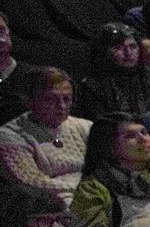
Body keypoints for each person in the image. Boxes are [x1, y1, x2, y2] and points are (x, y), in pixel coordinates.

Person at [0, 68, 91, 196]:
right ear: (29, 100)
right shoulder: (9, 137)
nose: (62, 106)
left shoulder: (84, 127)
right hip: (49, 208)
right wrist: (89, 188)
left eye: (67, 99)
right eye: (50, 99)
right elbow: (33, 184)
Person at [76, 22, 150, 120]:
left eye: (132, 46)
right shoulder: (93, 87)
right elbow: (101, 125)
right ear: (104, 52)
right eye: (118, 48)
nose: (128, 53)